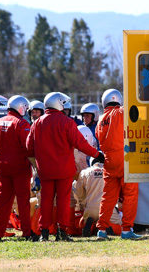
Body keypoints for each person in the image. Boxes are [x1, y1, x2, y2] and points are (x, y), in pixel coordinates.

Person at [26, 92, 103, 242]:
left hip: (45, 171)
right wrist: (96, 154)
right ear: (58, 104)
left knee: (46, 201)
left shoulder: (37, 123)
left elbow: (28, 147)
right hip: (64, 170)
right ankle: (62, 232)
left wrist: (37, 165)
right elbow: (80, 144)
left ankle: (45, 232)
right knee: (63, 201)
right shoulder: (67, 122)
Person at [0, 95, 35, 242]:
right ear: (21, 107)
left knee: (3, 202)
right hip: (20, 168)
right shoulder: (21, 124)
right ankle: (26, 232)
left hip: (3, 168)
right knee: (23, 202)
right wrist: (36, 167)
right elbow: (29, 148)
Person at [95, 89, 141, 240]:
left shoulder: (101, 119)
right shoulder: (121, 112)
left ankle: (101, 229)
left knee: (108, 197)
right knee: (130, 195)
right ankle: (126, 230)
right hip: (124, 159)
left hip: (109, 162)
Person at [74, 159, 123, 237]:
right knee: (121, 228)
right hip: (108, 210)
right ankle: (107, 228)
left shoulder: (84, 172)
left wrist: (83, 205)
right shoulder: (111, 172)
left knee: (81, 224)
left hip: (90, 208)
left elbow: (79, 192)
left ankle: (92, 226)